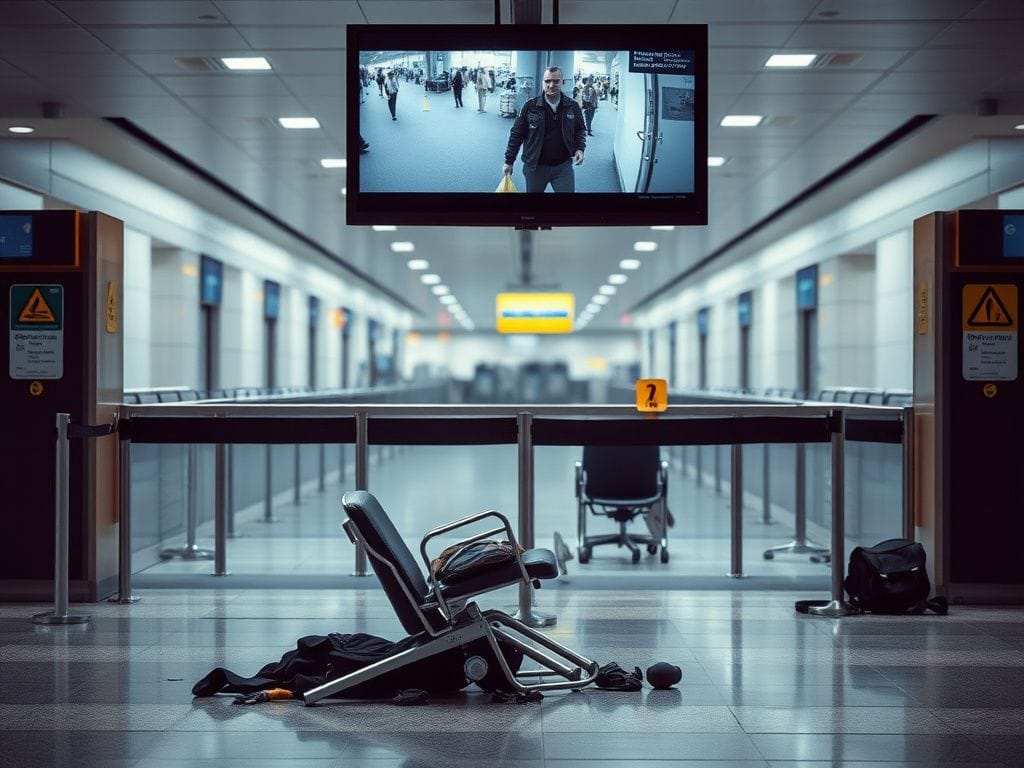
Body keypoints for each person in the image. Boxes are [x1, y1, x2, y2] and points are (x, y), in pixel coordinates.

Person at [502, 66, 586, 193]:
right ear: (543, 83)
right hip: (535, 167)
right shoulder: (530, 106)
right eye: (547, 81)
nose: (551, 85)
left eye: (556, 81)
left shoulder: (572, 106)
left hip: (563, 167)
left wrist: (580, 148)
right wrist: (509, 161)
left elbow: (580, 129)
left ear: (562, 82)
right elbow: (516, 134)